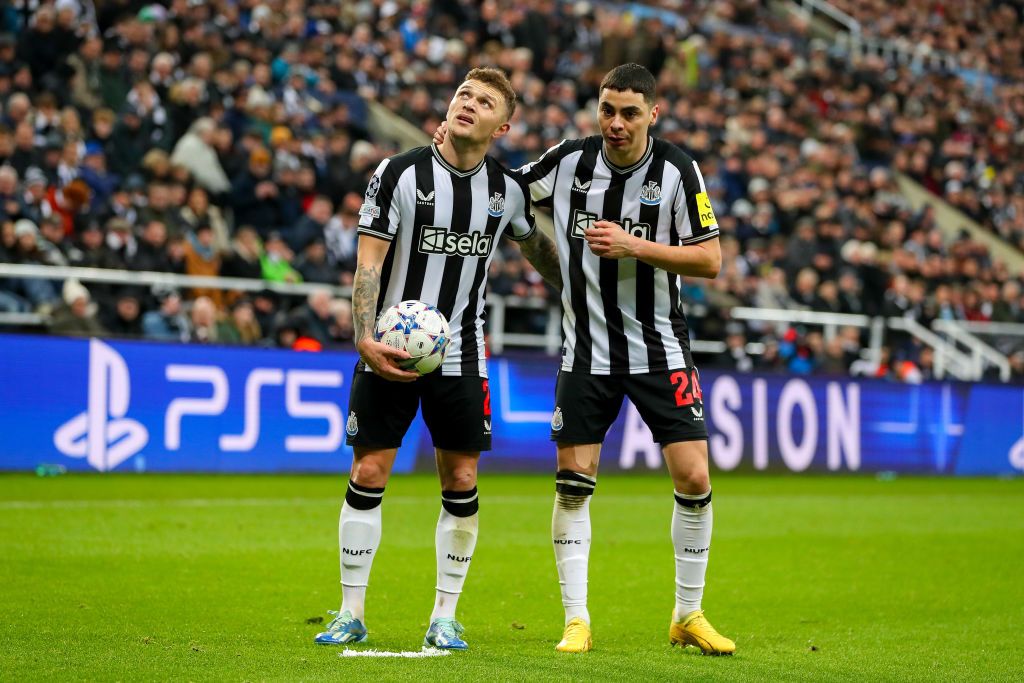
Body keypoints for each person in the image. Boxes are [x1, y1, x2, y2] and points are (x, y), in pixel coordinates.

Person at [437, 63, 732, 655]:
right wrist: (460, 151)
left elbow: (711, 261)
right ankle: (577, 620)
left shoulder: (677, 169)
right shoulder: (568, 160)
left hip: (660, 348)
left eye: (629, 112)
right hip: (586, 353)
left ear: (654, 113)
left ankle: (688, 612)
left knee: (695, 477)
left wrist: (634, 246)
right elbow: (506, 193)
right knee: (573, 484)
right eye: (607, 110)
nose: (616, 123)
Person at [314, 68, 561, 651]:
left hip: (462, 355)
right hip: (391, 347)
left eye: (484, 101)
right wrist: (364, 337)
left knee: (462, 477)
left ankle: (444, 616)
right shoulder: (398, 173)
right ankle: (351, 610)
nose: (468, 104)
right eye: (462, 95)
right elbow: (369, 263)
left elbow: (536, 245)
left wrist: (578, 293)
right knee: (369, 472)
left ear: (503, 125)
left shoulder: (505, 191)